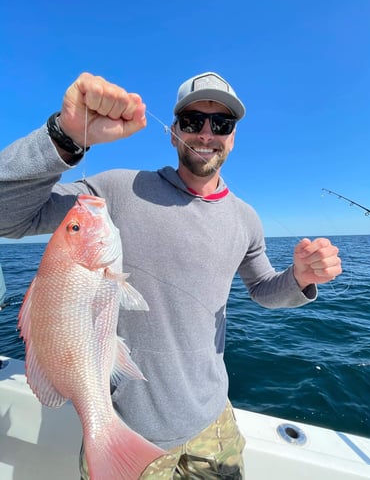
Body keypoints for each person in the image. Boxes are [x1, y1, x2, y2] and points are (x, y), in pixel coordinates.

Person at [0, 71, 342, 478]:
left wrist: (301, 278)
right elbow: (8, 216)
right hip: (126, 423)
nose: (206, 134)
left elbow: (264, 290)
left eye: (222, 124)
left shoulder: (247, 219)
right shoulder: (115, 189)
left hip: (214, 422)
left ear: (233, 136)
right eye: (193, 121)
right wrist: (65, 135)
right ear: (174, 130)